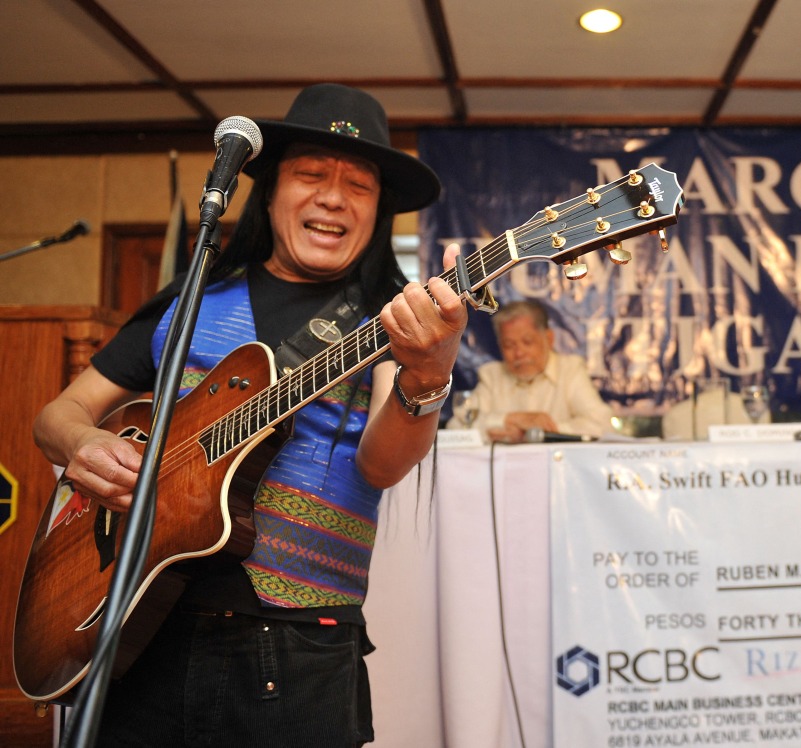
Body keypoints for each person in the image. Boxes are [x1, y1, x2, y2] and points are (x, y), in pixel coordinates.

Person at [31, 84, 467, 747]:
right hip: (141, 626)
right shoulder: (188, 306)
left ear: (378, 212)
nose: (332, 196)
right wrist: (83, 443)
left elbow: (382, 465)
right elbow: (56, 415)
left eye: (358, 184)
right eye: (311, 174)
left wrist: (429, 373)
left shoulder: (391, 320)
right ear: (268, 191)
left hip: (300, 645)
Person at [445, 299, 613, 442]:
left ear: (549, 338)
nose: (519, 353)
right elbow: (456, 429)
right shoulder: (492, 375)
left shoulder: (570, 370)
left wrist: (535, 433)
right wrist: (508, 419)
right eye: (509, 345)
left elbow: (602, 425)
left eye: (527, 342)